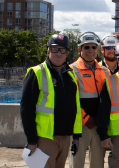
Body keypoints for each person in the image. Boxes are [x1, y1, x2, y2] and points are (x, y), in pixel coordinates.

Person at [20, 34, 82, 168]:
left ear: (67, 53)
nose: (58, 53)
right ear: (48, 51)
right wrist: (31, 139)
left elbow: (75, 107)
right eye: (55, 49)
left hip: (65, 137)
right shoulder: (36, 73)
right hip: (45, 137)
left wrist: (76, 136)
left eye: (62, 50)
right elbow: (26, 109)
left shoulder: (70, 75)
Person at [71, 32, 110, 168]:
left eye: (93, 47)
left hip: (99, 126)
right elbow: (70, 101)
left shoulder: (105, 71)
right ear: (79, 50)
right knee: (77, 163)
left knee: (98, 164)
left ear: (98, 49)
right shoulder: (71, 70)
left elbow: (108, 100)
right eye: (86, 47)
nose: (90, 50)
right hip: (80, 126)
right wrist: (86, 118)